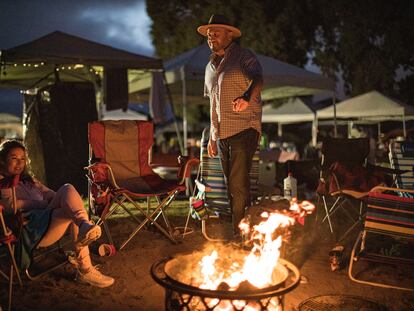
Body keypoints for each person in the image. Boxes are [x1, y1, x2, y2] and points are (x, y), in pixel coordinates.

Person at [0, 140, 114, 288]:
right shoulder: (2, 183)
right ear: (2, 160)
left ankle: (85, 268)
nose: (19, 163)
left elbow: (49, 193)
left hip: (47, 218)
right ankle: (84, 238)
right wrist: (44, 203)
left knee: (71, 205)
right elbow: (10, 206)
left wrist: (57, 200)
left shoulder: (29, 180)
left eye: (22, 158)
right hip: (32, 228)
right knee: (71, 202)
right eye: (14, 158)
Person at [197, 14, 263, 235]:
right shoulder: (209, 67)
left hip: (245, 127)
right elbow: (213, 104)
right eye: (208, 34)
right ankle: (243, 225)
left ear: (230, 34)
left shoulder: (244, 56)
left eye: (216, 32)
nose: (211, 37)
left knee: (237, 184)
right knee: (231, 183)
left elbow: (258, 79)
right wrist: (213, 135)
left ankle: (239, 232)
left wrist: (246, 97)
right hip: (223, 133)